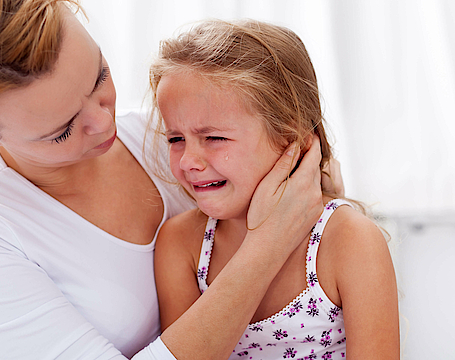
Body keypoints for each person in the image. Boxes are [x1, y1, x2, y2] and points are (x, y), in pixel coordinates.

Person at [0, 1, 337, 359]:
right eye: (62, 130)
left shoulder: (171, 141)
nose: (103, 122)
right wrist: (270, 242)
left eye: (99, 78)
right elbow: (286, 225)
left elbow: (320, 215)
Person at [150, 19, 399, 360]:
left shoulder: (349, 240)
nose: (189, 160)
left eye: (214, 137)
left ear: (289, 139)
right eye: (176, 138)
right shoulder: (181, 244)